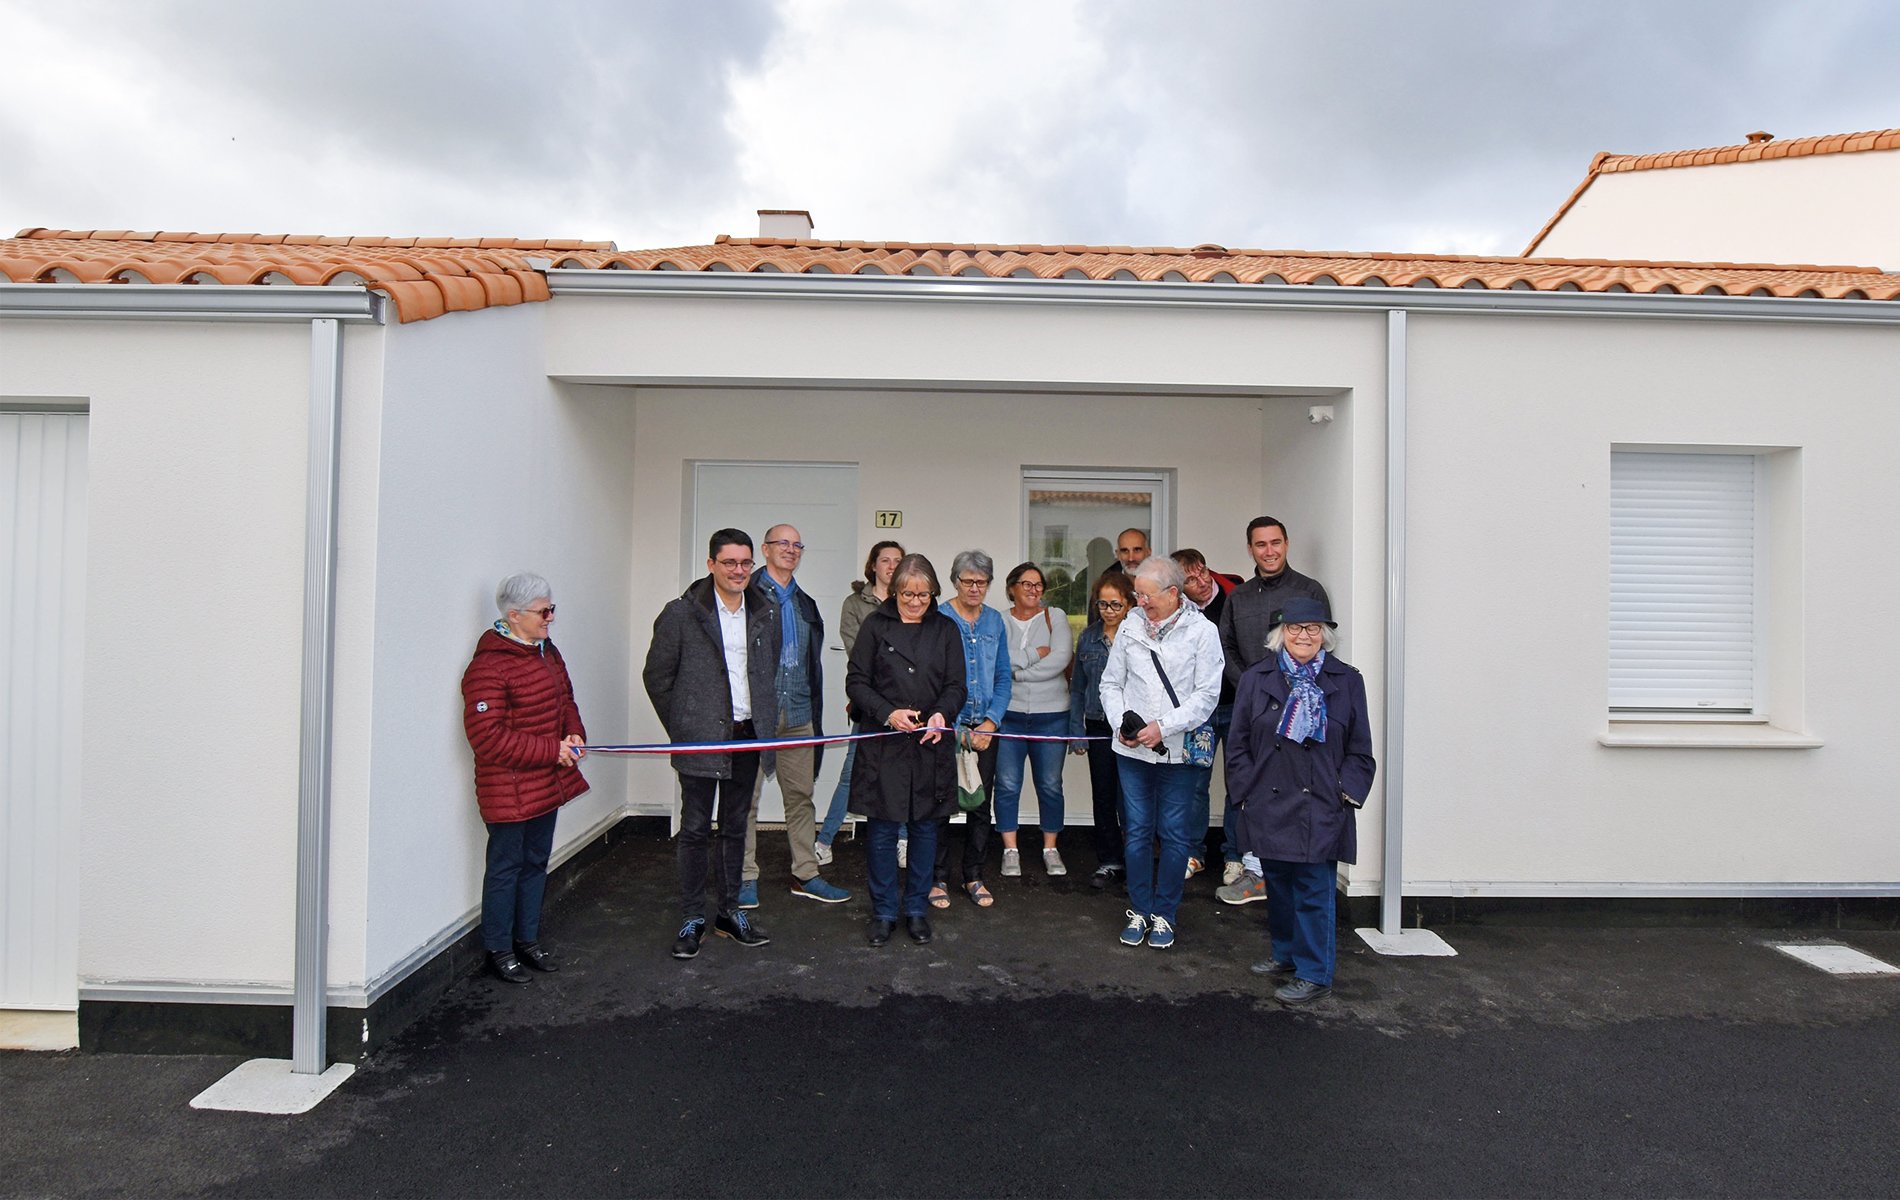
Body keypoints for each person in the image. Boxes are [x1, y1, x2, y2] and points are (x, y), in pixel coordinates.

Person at [1224, 597, 1374, 1005]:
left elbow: (1361, 751)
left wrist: (1345, 793)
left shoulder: (1347, 680)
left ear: (1324, 635)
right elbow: (1237, 745)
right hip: (1268, 801)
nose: (1303, 636)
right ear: (1280, 634)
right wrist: (1244, 792)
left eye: (1312, 629)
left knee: (1312, 890)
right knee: (1280, 886)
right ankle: (1286, 954)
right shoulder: (1257, 678)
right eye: (1295, 628)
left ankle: (1314, 973)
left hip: (1321, 803)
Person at [643, 530, 779, 959]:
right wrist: (684, 726)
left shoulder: (765, 612)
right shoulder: (682, 614)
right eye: (729, 563)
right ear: (711, 565)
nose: (739, 571)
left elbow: (764, 674)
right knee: (696, 829)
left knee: (737, 827)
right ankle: (691, 918)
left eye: (745, 563)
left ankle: (729, 913)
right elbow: (657, 678)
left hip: (747, 738)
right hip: (700, 740)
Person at [460, 571, 590, 983]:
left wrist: (574, 733)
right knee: (505, 868)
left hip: (543, 784)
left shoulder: (546, 652)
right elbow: (487, 737)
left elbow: (565, 698)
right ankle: (499, 948)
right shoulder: (488, 666)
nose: (550, 617)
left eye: (552, 609)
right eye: (543, 611)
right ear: (514, 615)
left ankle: (527, 940)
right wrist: (553, 750)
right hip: (508, 790)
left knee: (535, 864)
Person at [1099, 557, 1223, 950]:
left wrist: (1161, 728)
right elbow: (1110, 683)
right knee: (1135, 831)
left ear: (1174, 593)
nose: (1140, 602)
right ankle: (1139, 908)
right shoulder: (1130, 626)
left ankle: (1164, 914)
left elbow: (1206, 696)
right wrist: (1123, 723)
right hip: (1132, 751)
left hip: (1177, 751)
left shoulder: (1203, 632)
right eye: (1137, 594)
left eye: (1146, 596)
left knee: (1173, 835)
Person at [846, 554, 966, 946]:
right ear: (894, 590)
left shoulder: (946, 629)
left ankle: (916, 909)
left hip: (931, 743)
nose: (915, 602)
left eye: (923, 594)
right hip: (885, 742)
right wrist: (887, 713)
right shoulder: (875, 626)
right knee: (881, 831)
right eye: (906, 594)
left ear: (934, 592)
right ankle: (882, 911)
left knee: (925, 830)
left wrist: (940, 716)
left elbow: (956, 686)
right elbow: (857, 682)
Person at [1215, 516, 1332, 907]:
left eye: (1275, 542)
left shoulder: (1309, 591)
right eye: (1260, 544)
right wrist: (1250, 687)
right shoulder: (1239, 597)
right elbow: (1225, 648)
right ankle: (1252, 869)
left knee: (1294, 787)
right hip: (1247, 708)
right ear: (1250, 549)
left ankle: (1287, 870)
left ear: (1287, 544)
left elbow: (1319, 648)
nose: (1269, 551)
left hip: (1299, 714)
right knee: (1247, 785)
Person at [741, 523, 851, 906]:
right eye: (782, 543)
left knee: (801, 798)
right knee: (746, 800)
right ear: (765, 550)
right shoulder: (745, 595)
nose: (790, 549)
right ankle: (744, 878)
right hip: (756, 718)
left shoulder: (806, 604)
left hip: (800, 715)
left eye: (797, 545)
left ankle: (805, 874)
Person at [817, 540, 905, 867]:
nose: (892, 566)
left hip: (907, 705)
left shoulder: (909, 602)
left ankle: (904, 839)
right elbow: (860, 655)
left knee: (904, 773)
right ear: (873, 565)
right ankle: (825, 840)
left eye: (898, 560)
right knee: (852, 771)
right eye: (886, 560)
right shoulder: (854, 604)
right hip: (869, 702)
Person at [933, 549, 1011, 910]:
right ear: (955, 582)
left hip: (986, 730)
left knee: (981, 806)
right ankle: (937, 879)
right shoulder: (939, 618)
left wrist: (991, 723)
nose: (975, 588)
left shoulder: (995, 621)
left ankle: (973, 875)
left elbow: (1003, 677)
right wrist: (950, 724)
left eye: (982, 582)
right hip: (947, 729)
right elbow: (933, 678)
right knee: (942, 805)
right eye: (968, 581)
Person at [995, 561, 1075, 877]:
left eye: (1038, 584)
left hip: (1052, 715)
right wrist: (1030, 657)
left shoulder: (1055, 616)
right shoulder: (998, 621)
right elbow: (997, 661)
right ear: (1012, 587)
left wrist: (1015, 673)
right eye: (1027, 584)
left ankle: (1051, 849)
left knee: (1050, 785)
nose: (1034, 590)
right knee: (1007, 784)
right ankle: (1010, 850)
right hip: (1009, 716)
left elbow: (1060, 658)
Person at [1172, 548, 1243, 883]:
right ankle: (1194, 852)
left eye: (1202, 570)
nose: (1201, 580)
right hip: (1199, 713)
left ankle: (1235, 856)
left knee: (1238, 782)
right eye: (1190, 578)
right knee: (1196, 784)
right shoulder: (1179, 613)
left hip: (1236, 706)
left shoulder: (1236, 595)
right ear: (1178, 586)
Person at [1069, 571, 1136, 890]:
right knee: (1104, 796)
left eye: (1116, 604)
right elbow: (1077, 689)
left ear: (1129, 604)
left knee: (1133, 798)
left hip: (1133, 730)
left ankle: (1137, 862)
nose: (1109, 610)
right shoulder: (1088, 637)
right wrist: (1076, 730)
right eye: (1103, 604)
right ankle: (1110, 861)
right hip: (1097, 726)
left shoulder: (1138, 635)